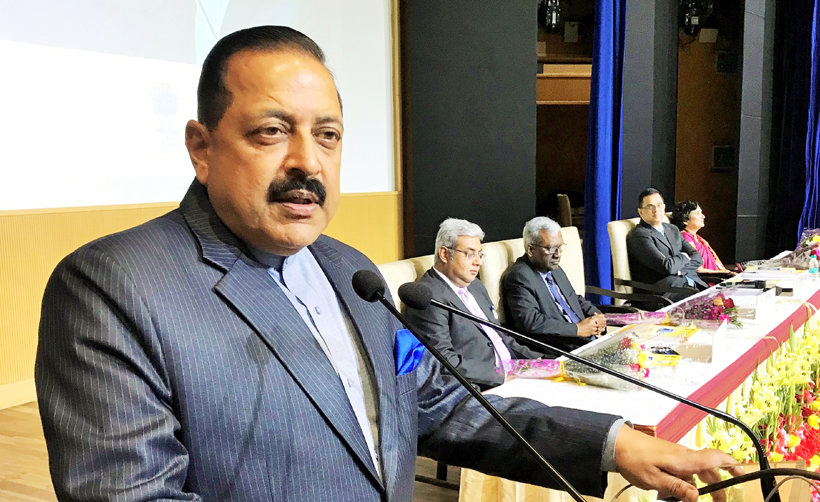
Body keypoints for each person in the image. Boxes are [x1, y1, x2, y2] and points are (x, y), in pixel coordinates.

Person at [35, 26, 739, 502]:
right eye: (272, 131)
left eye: (328, 135)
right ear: (201, 146)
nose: (308, 162)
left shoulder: (350, 272)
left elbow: (441, 404)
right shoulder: (115, 287)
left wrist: (614, 445)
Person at [404, 218, 544, 390]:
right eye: (470, 254)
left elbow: (499, 336)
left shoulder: (475, 286)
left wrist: (540, 362)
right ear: (445, 254)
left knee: (567, 379)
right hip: (485, 386)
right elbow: (444, 360)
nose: (478, 262)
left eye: (480, 254)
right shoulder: (428, 298)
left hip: (513, 372)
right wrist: (503, 376)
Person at [501, 217, 606, 350]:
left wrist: (596, 316)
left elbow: (574, 298)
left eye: (559, 247)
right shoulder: (519, 276)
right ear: (531, 250)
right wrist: (577, 329)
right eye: (550, 248)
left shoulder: (554, 268)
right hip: (561, 347)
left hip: (586, 342)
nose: (557, 255)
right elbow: (532, 322)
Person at [627, 188, 706, 301]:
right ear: (640, 212)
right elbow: (667, 267)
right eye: (650, 206)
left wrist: (679, 270)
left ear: (664, 207)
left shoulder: (672, 229)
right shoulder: (639, 235)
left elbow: (697, 257)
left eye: (659, 205)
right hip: (661, 294)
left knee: (722, 300)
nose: (656, 210)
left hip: (688, 284)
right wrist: (684, 256)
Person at [671, 200, 734, 276]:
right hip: (708, 279)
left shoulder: (699, 238)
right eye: (698, 213)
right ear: (685, 220)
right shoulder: (686, 237)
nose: (703, 216)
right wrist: (727, 274)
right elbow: (698, 269)